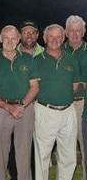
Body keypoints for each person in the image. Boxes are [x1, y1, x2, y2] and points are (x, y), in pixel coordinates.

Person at [0, 25, 39, 180]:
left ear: (19, 39)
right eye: (6, 38)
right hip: (0, 109)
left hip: (25, 109)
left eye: (13, 38)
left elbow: (34, 87)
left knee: (24, 154)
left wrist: (21, 105)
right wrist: (7, 107)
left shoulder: (28, 59)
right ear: (0, 39)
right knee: (0, 155)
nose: (10, 42)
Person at [32, 24, 82, 180]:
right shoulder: (37, 60)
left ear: (63, 38)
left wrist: (62, 97)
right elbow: (33, 87)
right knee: (42, 156)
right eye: (51, 36)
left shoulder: (71, 59)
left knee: (68, 156)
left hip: (68, 112)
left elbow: (74, 85)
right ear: (45, 38)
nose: (55, 40)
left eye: (58, 36)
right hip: (45, 111)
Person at [63, 15, 87, 180]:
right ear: (65, 32)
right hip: (61, 105)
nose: (75, 34)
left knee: (85, 147)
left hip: (82, 105)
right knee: (65, 149)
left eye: (78, 30)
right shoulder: (58, 50)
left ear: (84, 32)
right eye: (71, 30)